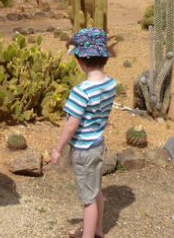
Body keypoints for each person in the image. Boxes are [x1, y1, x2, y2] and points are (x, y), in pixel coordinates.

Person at [51, 28, 117, 238]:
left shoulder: (81, 92)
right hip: (98, 145)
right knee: (95, 190)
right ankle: (97, 229)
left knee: (88, 200)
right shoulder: (111, 84)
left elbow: (71, 125)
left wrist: (58, 149)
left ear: (80, 61)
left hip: (83, 150)